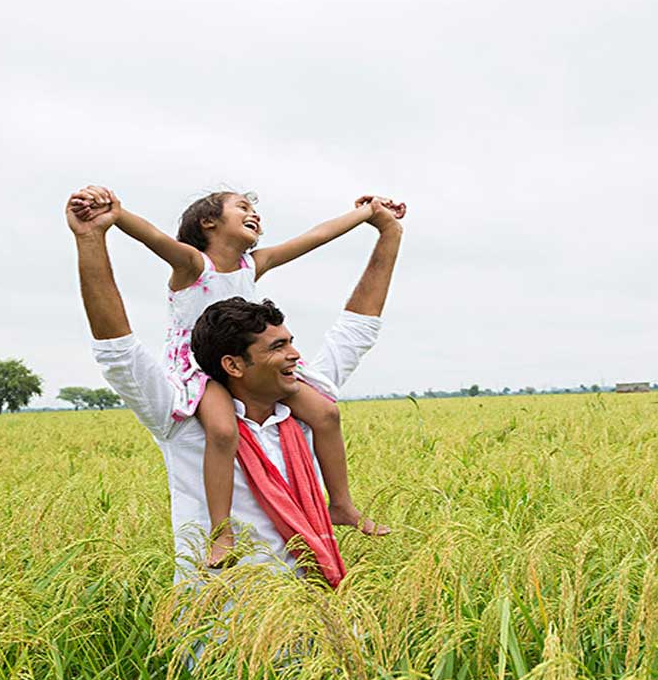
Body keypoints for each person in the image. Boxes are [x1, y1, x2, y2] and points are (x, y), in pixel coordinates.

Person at [66, 188, 405, 584]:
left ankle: (341, 504)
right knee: (223, 431)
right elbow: (151, 241)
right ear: (208, 222)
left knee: (326, 412)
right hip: (200, 368)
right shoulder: (193, 265)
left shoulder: (255, 267)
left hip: (300, 605)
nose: (254, 214)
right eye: (242, 207)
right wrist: (111, 218)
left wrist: (371, 216)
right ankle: (221, 531)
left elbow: (317, 238)